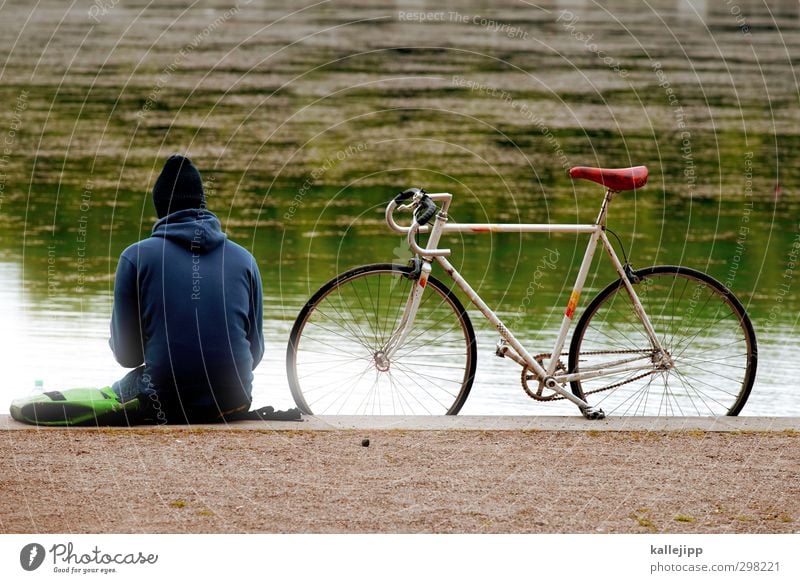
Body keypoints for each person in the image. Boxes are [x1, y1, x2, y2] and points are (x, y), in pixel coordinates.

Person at [109, 155, 264, 423]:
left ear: (159, 209)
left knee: (120, 389)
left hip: (164, 403)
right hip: (235, 400)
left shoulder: (135, 257)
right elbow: (255, 353)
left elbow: (127, 356)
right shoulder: (245, 260)